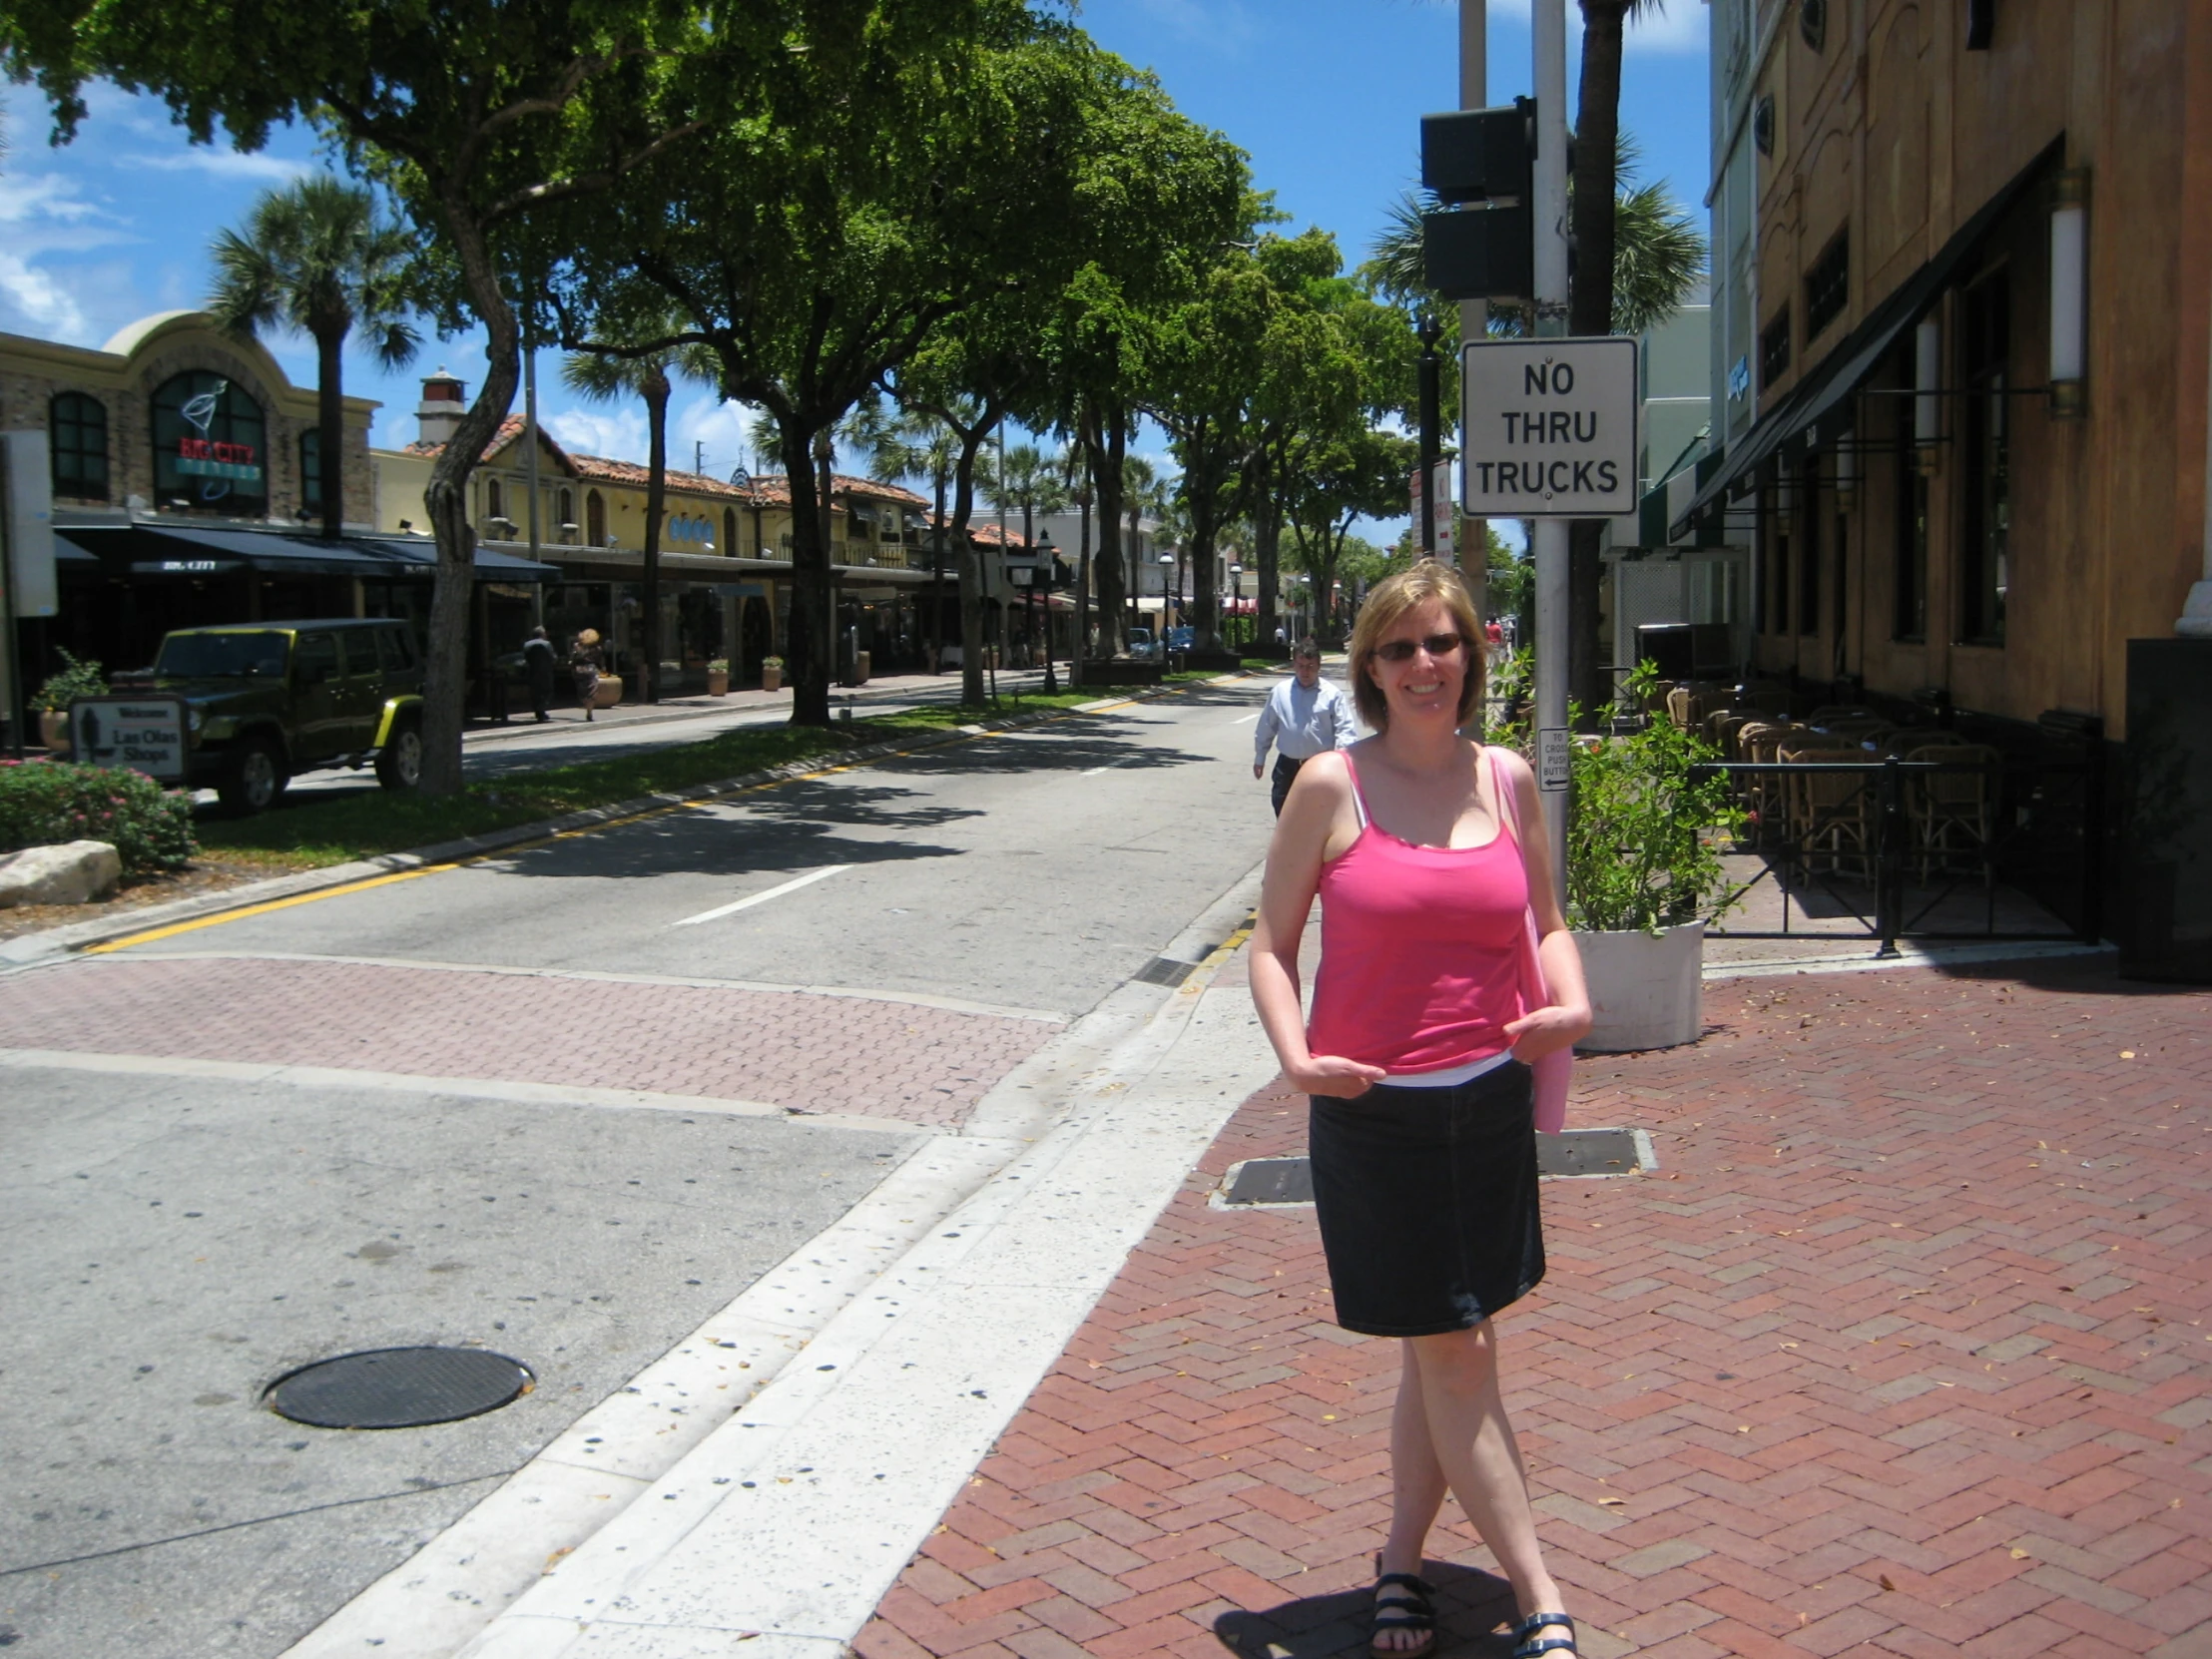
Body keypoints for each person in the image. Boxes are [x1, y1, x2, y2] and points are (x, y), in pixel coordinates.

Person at [1248, 561, 1591, 1659]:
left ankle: (1400, 1560)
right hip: (1374, 1114)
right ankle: (1536, 1588)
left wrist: (1570, 1001)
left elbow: (1544, 922)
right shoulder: (1328, 786)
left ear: (1470, 656)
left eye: (1440, 642)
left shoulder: (1506, 781)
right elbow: (1267, 947)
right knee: (1454, 1348)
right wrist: (1297, 1059)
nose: (1423, 664)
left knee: (1438, 1345)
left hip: (1486, 1108)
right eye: (1399, 648)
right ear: (1369, 668)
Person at [1252, 638, 1357, 817]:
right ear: (1294, 665)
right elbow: (1267, 725)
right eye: (1300, 665)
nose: (1305, 671)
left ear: (1318, 666)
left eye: (1310, 666)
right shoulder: (1281, 692)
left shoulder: (1332, 695)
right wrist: (1260, 756)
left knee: (1317, 817)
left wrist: (1343, 763)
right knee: (1284, 813)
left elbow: (1345, 730)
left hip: (1319, 766)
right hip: (1287, 766)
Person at [523, 625, 558, 724]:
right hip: (545, 672)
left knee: (534, 692)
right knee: (547, 691)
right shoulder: (547, 644)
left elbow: (525, 657)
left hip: (532, 671)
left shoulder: (526, 644)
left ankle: (538, 710)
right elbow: (553, 657)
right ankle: (541, 709)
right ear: (542, 634)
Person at [570, 629, 603, 723]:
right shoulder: (597, 648)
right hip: (591, 670)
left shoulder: (576, 646)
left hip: (579, 670)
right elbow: (599, 660)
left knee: (582, 691)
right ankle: (589, 711)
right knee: (592, 692)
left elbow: (572, 659)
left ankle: (585, 703)